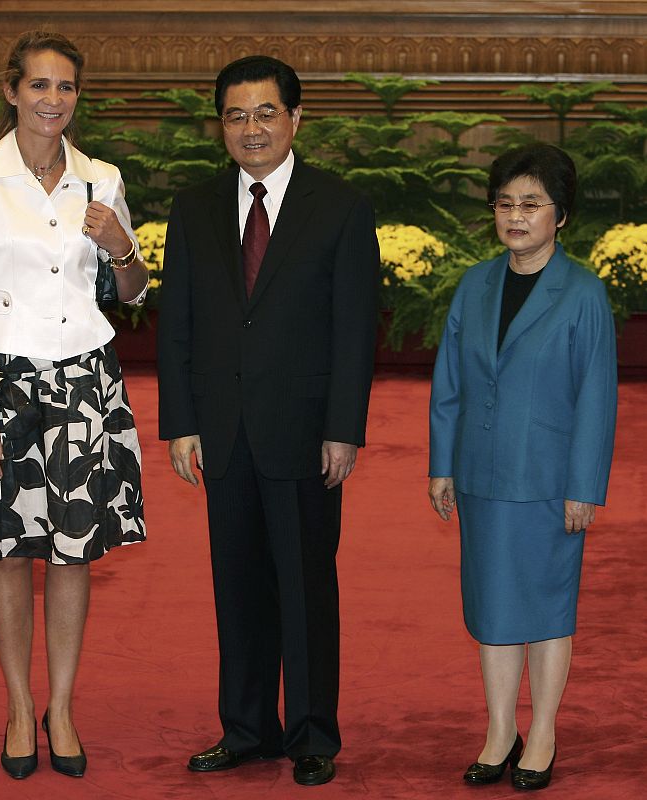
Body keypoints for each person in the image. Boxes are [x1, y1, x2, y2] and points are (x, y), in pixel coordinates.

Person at [0, 30, 148, 780]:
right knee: (5, 551)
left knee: (75, 553)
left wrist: (122, 245)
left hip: (85, 381)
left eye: (66, 88)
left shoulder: (103, 178)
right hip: (3, 384)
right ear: (11, 91)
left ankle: (62, 705)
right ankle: (19, 705)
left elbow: (132, 292)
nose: (53, 100)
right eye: (40, 86)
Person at [157, 55, 379, 787]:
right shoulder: (193, 207)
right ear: (219, 125)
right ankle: (246, 728)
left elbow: (355, 329)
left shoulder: (340, 206)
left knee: (307, 585)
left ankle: (313, 731)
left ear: (295, 119)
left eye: (264, 113)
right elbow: (178, 325)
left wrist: (344, 427)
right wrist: (180, 422)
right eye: (234, 115)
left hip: (307, 430)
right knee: (238, 585)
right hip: (222, 429)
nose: (250, 129)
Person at [428, 144, 617, 791]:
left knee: (544, 608)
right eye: (506, 203)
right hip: (481, 477)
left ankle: (543, 733)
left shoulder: (583, 294)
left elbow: (597, 396)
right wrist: (441, 465)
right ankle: (500, 729)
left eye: (531, 204)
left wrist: (584, 487)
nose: (516, 216)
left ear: (559, 216)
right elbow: (448, 380)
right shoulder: (475, 285)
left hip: (547, 483)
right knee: (493, 608)